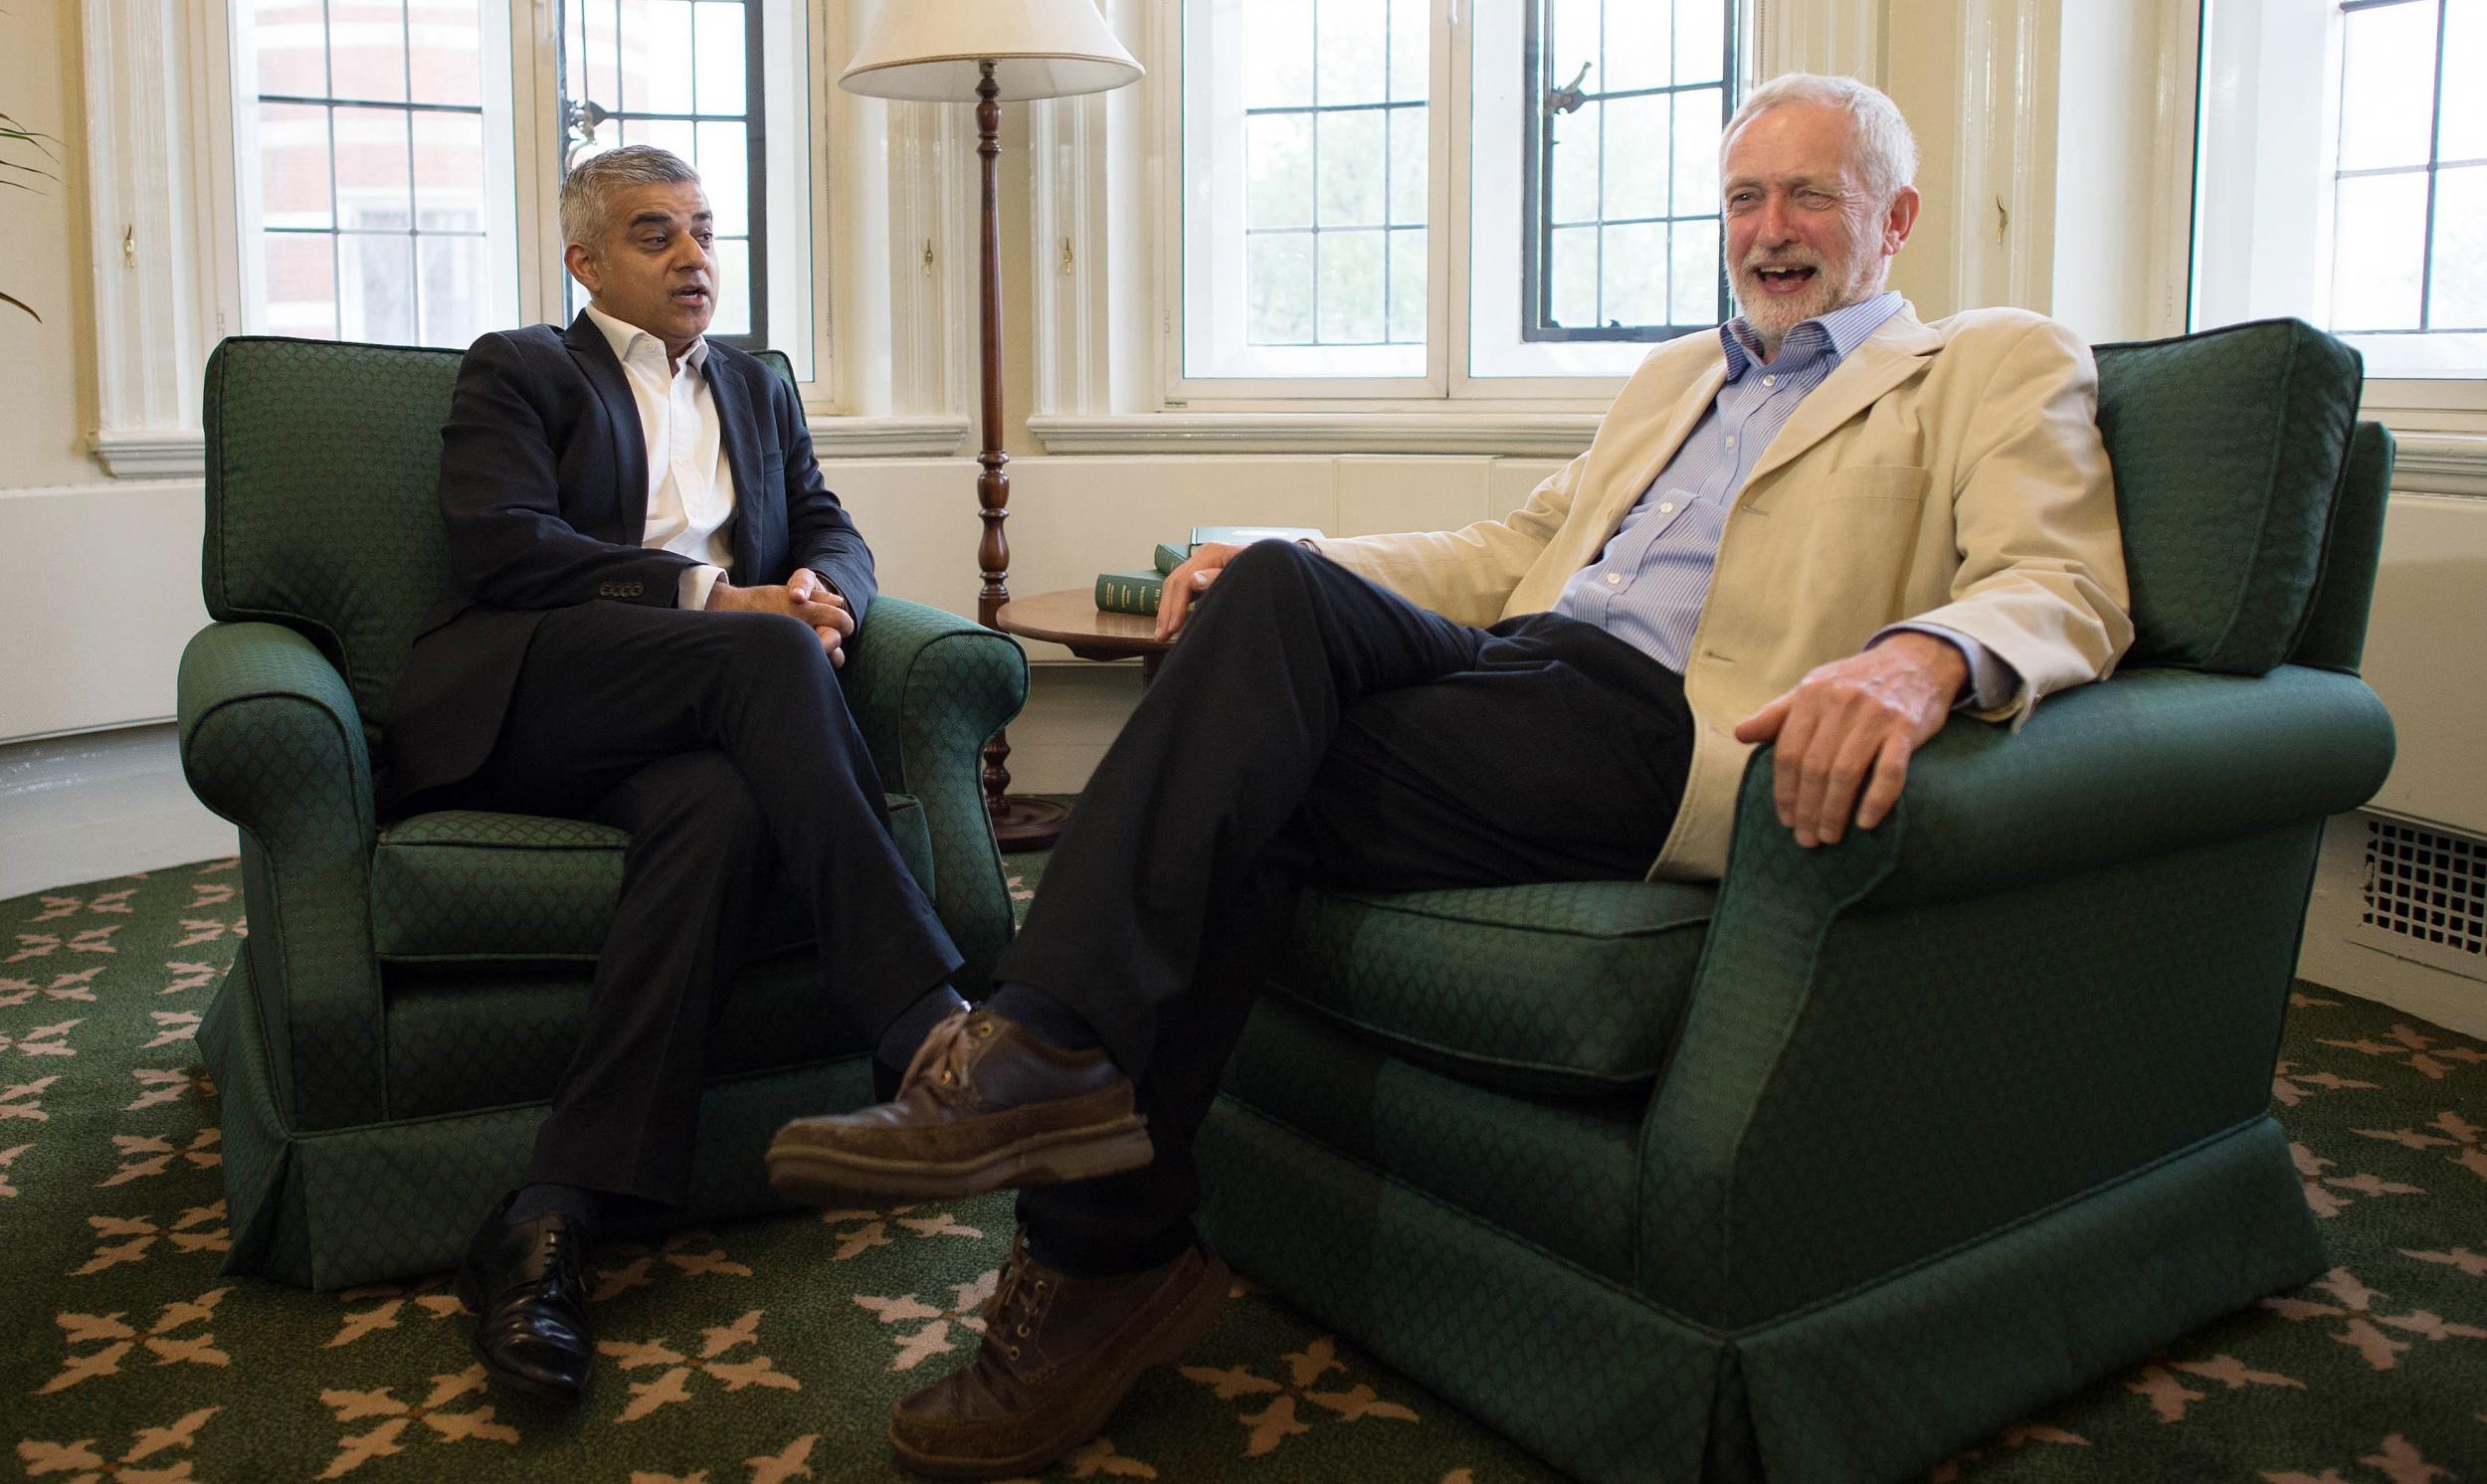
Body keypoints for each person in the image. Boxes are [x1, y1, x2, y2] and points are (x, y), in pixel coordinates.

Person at [765, 74, 2135, 1478]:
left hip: (1668, 726)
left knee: (1240, 771)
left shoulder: (1989, 362)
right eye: (1742, 197)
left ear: (1894, 218)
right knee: (1272, 609)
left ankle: (1055, 1136)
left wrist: (1920, 658)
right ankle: (1089, 1197)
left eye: (1809, 197)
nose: (1767, 230)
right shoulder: (1680, 373)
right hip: (1519, 676)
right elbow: (1511, 552)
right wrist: (1259, 573)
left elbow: (2065, 581)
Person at [380, 145, 969, 1403]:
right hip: (543, 691)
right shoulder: (522, 367)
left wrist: (825, 596)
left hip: (699, 727)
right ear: (586, 262)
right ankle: (928, 1025)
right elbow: (505, 544)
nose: (695, 255)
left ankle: (548, 1217)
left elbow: (827, 521)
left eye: (705, 230)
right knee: (757, 655)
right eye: (656, 234)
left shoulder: (756, 383)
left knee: (714, 814)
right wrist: (722, 598)